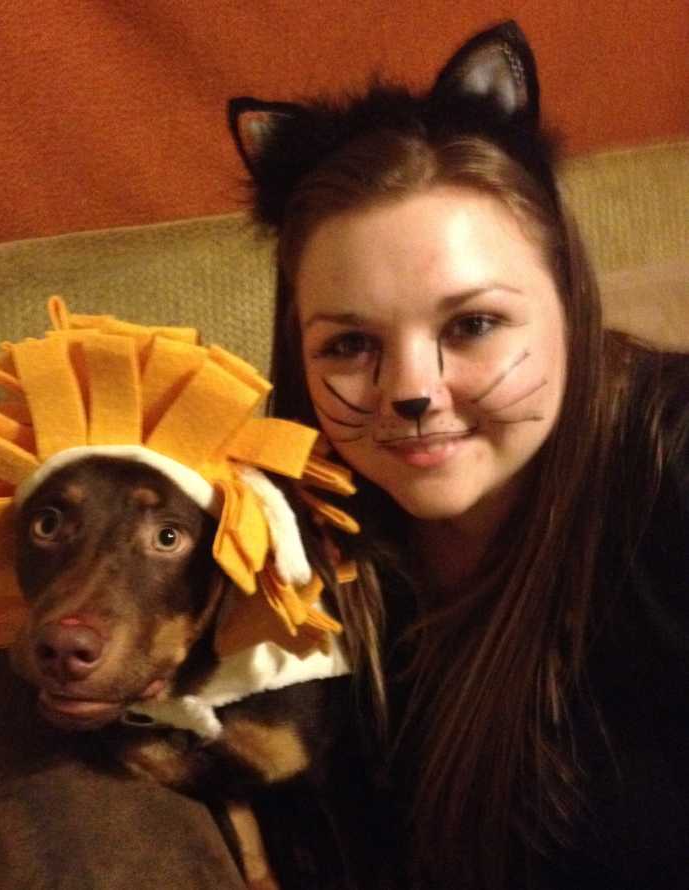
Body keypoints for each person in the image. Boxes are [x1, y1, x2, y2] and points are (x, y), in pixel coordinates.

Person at [228, 20, 688, 890]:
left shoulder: (671, 469)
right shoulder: (281, 537)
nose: (411, 390)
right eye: (348, 345)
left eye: (472, 325)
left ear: (571, 302)